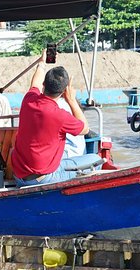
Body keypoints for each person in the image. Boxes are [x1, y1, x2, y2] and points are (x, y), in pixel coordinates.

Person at [10, 51, 89, 188]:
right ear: (65, 90)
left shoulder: (29, 100)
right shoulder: (60, 115)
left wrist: (42, 61)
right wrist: (71, 100)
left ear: (44, 84)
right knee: (95, 160)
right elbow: (85, 128)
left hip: (18, 177)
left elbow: (35, 83)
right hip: (42, 179)